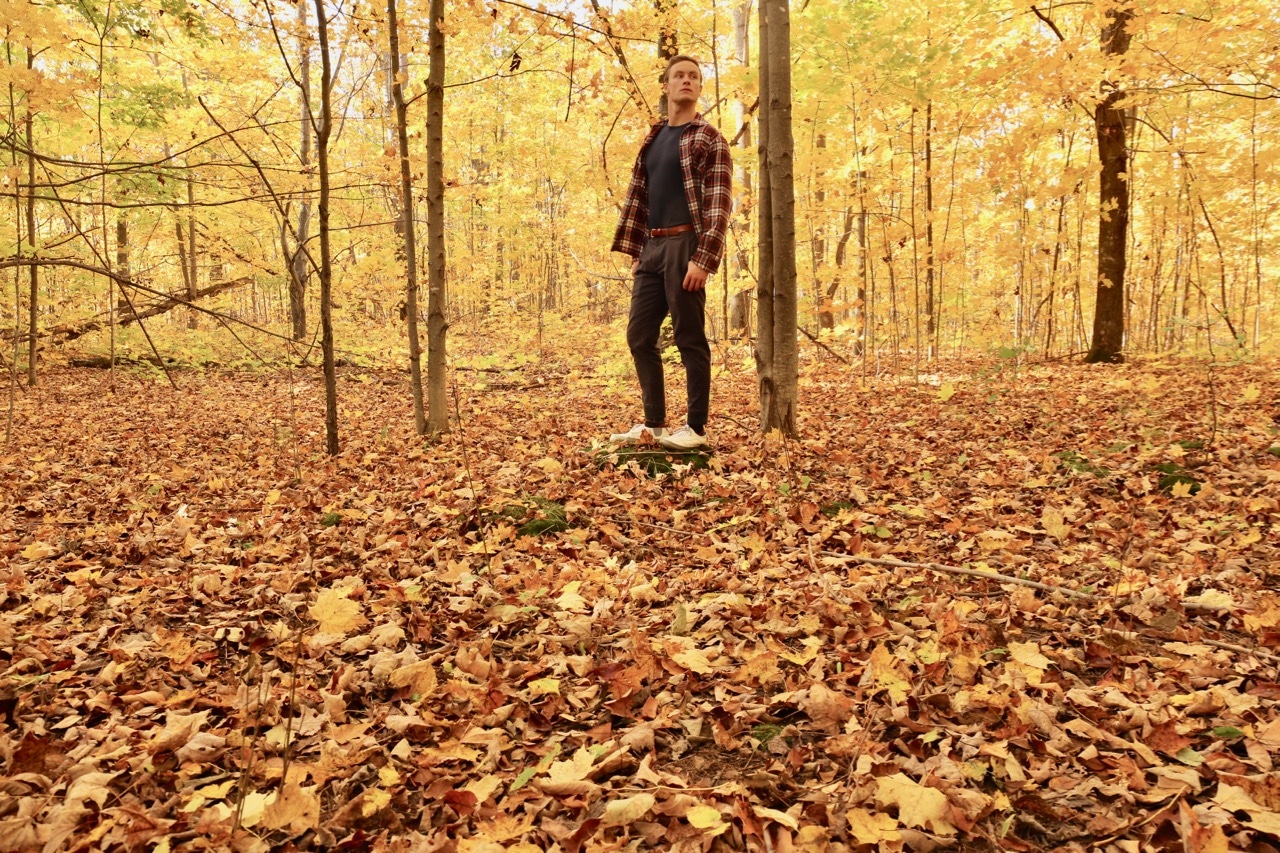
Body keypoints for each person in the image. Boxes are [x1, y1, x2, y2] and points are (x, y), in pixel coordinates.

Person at [608, 54, 731, 451]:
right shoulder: (654, 137)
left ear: (698, 87)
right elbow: (640, 197)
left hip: (686, 245)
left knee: (689, 337)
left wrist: (703, 258)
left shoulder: (709, 138)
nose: (687, 81)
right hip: (652, 246)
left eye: (694, 77)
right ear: (665, 85)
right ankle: (654, 424)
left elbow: (719, 204)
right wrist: (637, 249)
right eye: (679, 75)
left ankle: (695, 429)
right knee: (639, 335)